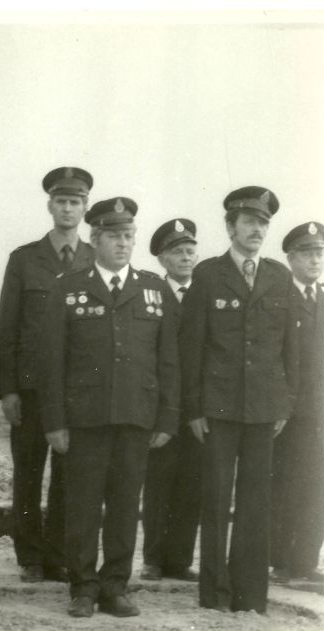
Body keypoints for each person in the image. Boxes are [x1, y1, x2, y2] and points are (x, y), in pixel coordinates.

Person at [39, 197, 180, 618]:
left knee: (123, 505)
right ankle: (82, 586)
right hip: (86, 417)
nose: (123, 243)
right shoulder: (68, 287)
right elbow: (51, 361)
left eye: (129, 236)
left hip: (137, 415)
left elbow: (168, 358)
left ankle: (115, 585)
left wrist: (167, 416)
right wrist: (54, 422)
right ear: (94, 238)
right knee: (82, 504)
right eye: (114, 236)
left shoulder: (154, 289)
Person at [180, 186, 299, 614]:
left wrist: (285, 402)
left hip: (264, 407)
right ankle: (215, 594)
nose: (257, 230)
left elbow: (290, 348)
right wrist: (193, 407)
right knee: (215, 499)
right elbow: (191, 346)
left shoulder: (279, 276)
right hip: (218, 406)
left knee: (255, 501)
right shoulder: (209, 275)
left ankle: (251, 594)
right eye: (249, 222)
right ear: (231, 227)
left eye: (263, 223)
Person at [0, 166, 95, 584]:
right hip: (32, 387)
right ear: (50, 205)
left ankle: (58, 555)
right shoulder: (24, 259)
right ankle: (30, 556)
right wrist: (7, 389)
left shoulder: (95, 258)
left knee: (68, 476)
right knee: (28, 472)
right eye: (62, 201)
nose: (68, 208)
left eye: (75, 202)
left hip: (77, 390)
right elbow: (7, 327)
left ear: (85, 208)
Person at [140, 218, 204, 583]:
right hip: (161, 406)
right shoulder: (151, 292)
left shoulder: (205, 293)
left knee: (191, 484)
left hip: (196, 408)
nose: (185, 257)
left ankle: (179, 560)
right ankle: (153, 559)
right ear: (162, 259)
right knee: (158, 483)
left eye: (190, 251)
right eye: (177, 252)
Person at [270, 221, 324, 585]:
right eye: (307, 254)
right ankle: (282, 562)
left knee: (317, 487)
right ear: (290, 258)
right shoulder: (279, 298)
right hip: (288, 413)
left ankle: (306, 562)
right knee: (285, 486)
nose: (315, 260)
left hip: (322, 412)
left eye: (319, 253)